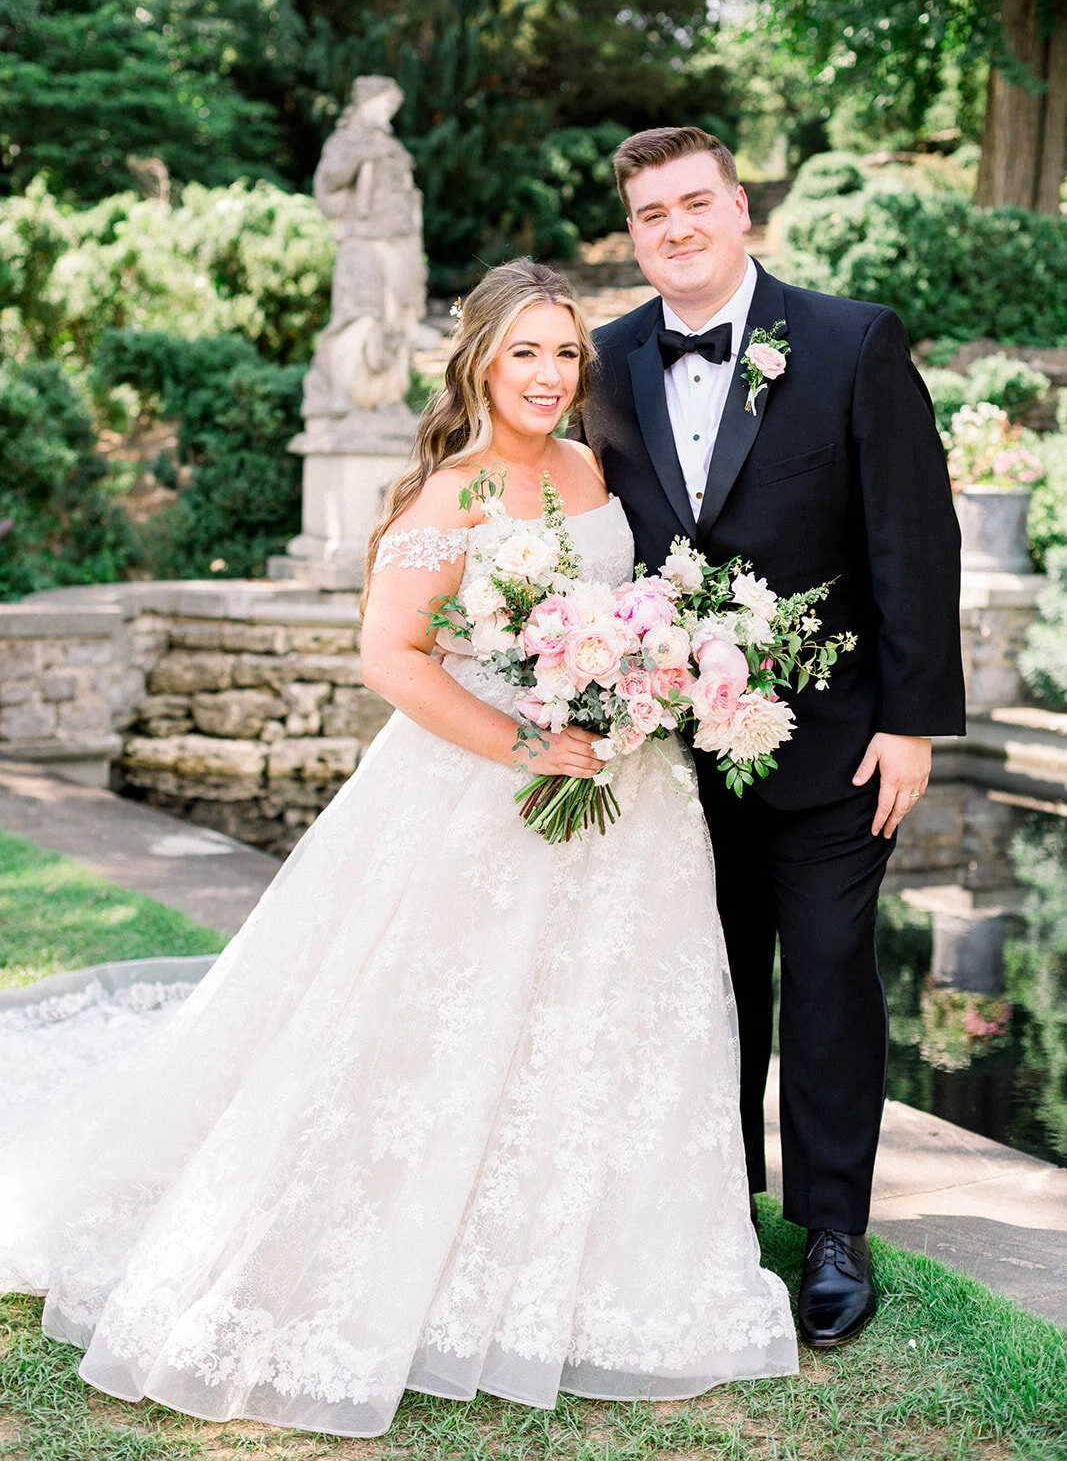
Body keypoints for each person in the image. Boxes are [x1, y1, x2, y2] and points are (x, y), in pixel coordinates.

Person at [0, 259, 797, 1442]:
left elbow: (625, 607)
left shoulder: (588, 468)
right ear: (477, 361)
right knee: (443, 1022)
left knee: (603, 1024)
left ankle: (594, 1256)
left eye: (564, 353)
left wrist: (641, 680)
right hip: (483, 788)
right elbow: (390, 657)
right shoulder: (448, 497)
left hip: (625, 796)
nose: (547, 375)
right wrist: (524, 740)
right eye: (523, 352)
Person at [573, 128, 965, 1349]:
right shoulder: (603, 362)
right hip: (667, 753)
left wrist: (910, 721)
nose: (676, 228)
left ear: (738, 207)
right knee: (706, 980)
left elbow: (912, 537)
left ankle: (833, 1228)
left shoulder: (850, 341)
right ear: (632, 235)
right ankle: (720, 1207)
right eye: (651, 214)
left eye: (695, 203)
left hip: (836, 742)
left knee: (830, 974)